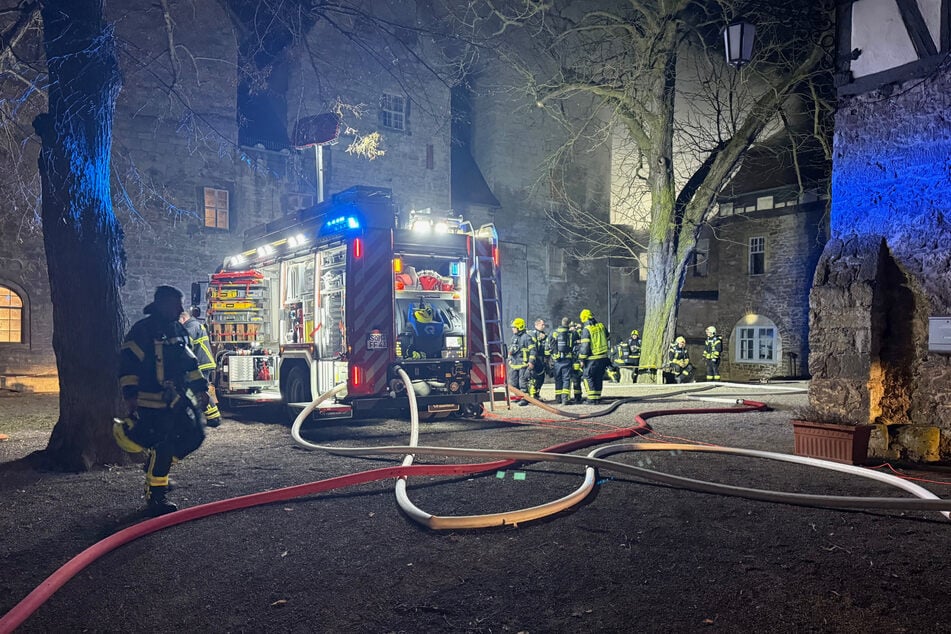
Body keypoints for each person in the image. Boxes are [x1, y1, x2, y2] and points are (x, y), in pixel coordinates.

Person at [114, 286, 210, 516]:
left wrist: (201, 389)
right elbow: (127, 364)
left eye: (180, 303)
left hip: (177, 396)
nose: (180, 308)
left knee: (195, 435)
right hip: (151, 399)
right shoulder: (143, 330)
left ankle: (154, 466)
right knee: (164, 444)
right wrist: (130, 395)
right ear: (161, 305)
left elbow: (190, 363)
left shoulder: (178, 328)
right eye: (175, 304)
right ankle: (156, 497)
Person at [179, 307, 222, 427]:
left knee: (200, 390)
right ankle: (213, 417)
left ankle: (214, 418)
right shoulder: (195, 325)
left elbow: (185, 345)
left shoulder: (191, 327)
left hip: (202, 364)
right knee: (201, 390)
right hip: (203, 363)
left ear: (183, 318)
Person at [577, 309, 610, 405]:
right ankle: (597, 397)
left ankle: (591, 399)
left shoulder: (587, 329)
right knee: (598, 377)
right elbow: (607, 337)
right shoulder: (601, 326)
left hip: (592, 358)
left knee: (587, 376)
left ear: (583, 318)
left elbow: (585, 346)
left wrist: (581, 359)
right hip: (603, 357)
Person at [548, 317, 577, 406]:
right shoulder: (571, 333)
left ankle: (558, 398)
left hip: (557, 360)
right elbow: (576, 343)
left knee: (558, 379)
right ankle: (565, 399)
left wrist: (553, 355)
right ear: (569, 324)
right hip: (567, 360)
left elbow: (549, 344)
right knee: (566, 379)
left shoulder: (554, 332)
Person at [507, 317, 534, 406]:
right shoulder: (513, 337)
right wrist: (510, 359)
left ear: (520, 327)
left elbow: (533, 351)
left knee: (522, 382)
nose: (512, 329)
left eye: (514, 327)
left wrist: (531, 362)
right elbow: (511, 349)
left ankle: (525, 399)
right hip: (514, 364)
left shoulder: (526, 338)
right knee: (513, 382)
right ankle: (517, 397)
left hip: (523, 364)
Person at [528, 318, 551, 401]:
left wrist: (547, 359)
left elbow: (547, 347)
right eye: (542, 325)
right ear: (536, 325)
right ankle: (532, 395)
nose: (544, 326)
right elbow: (532, 347)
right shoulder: (531, 334)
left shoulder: (545, 335)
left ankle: (537, 394)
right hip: (535, 358)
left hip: (542, 359)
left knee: (541, 377)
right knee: (534, 377)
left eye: (544, 325)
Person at [569, 321, 584, 403]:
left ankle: (577, 397)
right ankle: (577, 397)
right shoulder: (573, 335)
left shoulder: (572, 335)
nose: (573, 328)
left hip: (575, 361)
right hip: (573, 360)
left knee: (576, 380)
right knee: (575, 380)